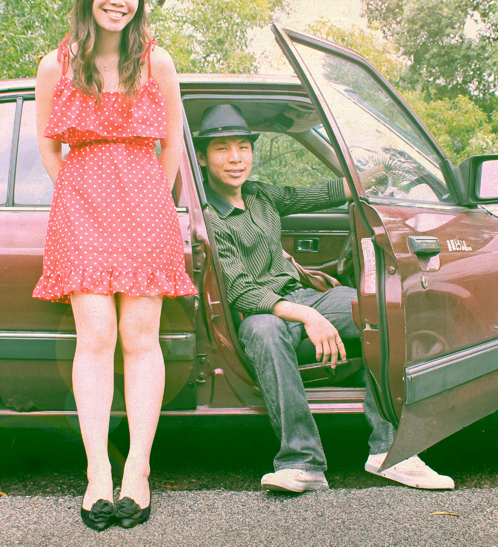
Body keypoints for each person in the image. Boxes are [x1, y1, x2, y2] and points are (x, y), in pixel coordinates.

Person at [194, 103, 454, 492]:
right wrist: (308, 318)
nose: (235, 158)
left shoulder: (262, 195)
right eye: (222, 148)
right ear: (201, 156)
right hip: (258, 315)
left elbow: (326, 192)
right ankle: (302, 463)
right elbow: (241, 292)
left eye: (243, 147)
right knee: (266, 331)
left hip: (297, 297)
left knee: (374, 307)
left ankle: (389, 451)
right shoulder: (208, 217)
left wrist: (382, 168)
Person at [32, 0, 197, 531]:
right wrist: (80, 196)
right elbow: (51, 150)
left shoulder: (159, 63)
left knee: (141, 339)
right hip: (81, 208)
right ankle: (98, 473)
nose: (119, 0)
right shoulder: (56, 65)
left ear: (139, 1)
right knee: (95, 338)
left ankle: (138, 472)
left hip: (145, 205)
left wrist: (157, 200)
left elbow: (173, 146)